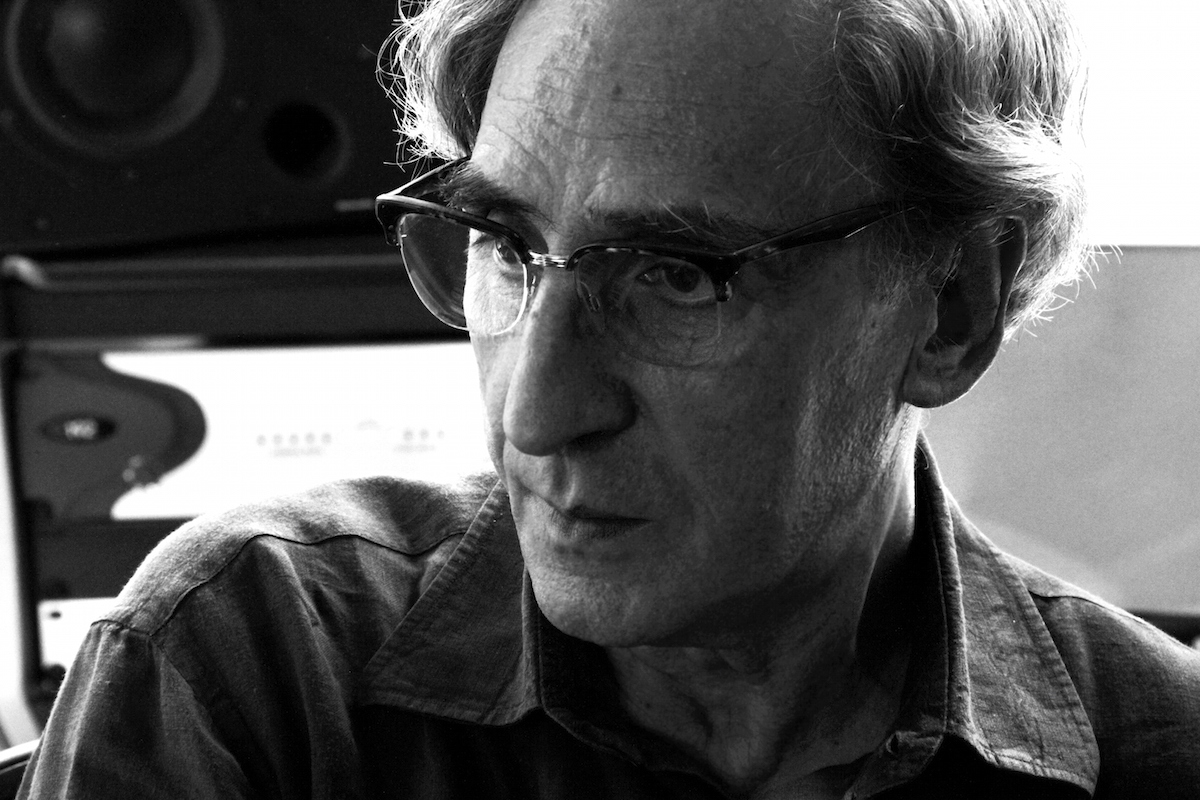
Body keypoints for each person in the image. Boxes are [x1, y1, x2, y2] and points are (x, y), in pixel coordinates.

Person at [18, 0, 1200, 797]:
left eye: (677, 275)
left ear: (950, 307)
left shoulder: (1161, 748)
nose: (534, 414)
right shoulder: (249, 663)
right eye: (503, 242)